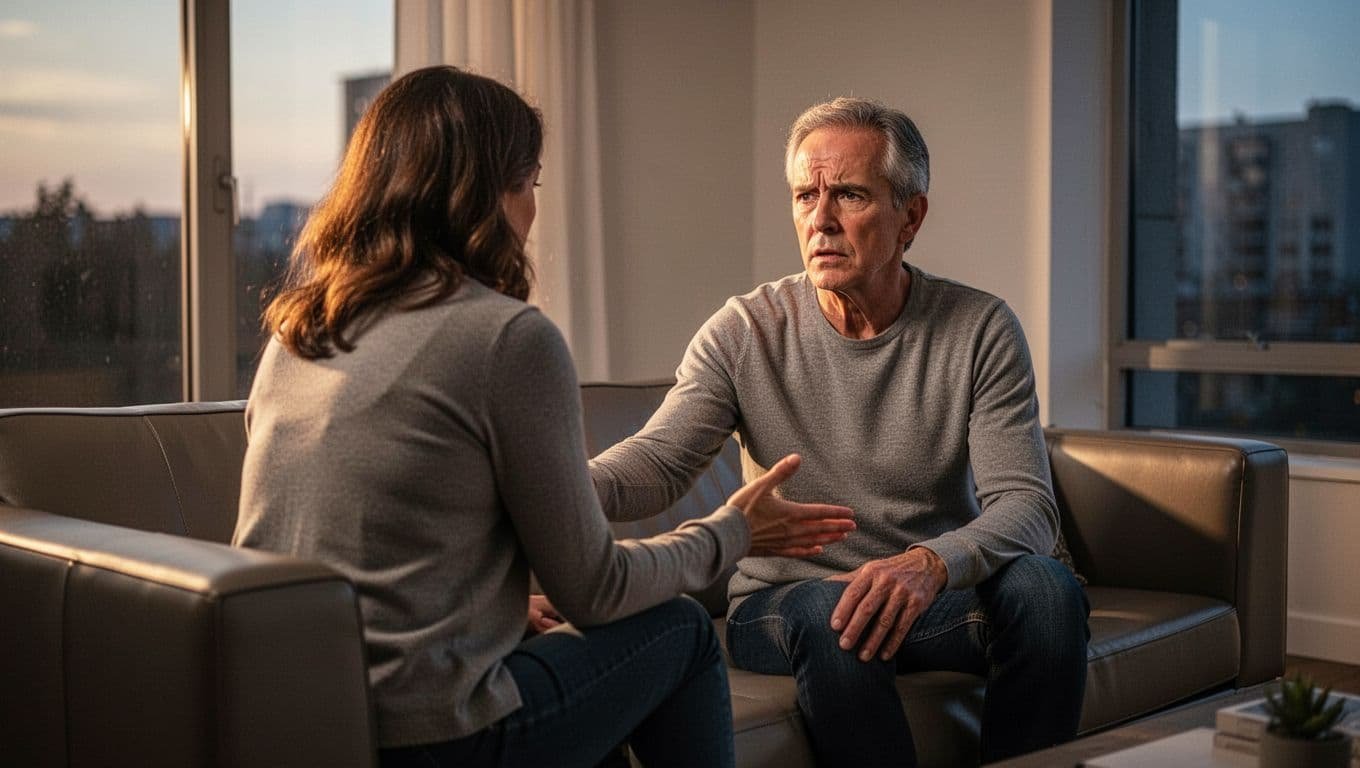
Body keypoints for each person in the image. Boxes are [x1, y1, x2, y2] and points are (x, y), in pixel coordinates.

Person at [231, 66, 855, 768]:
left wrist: (490, 615)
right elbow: (597, 591)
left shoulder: (299, 334)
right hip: (433, 740)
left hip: (304, 725)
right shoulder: (504, 338)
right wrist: (733, 533)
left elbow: (351, 543)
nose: (532, 212)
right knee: (676, 631)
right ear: (487, 194)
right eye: (529, 185)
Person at [589, 97, 1090, 766]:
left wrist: (931, 563)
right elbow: (656, 461)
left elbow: (1027, 507)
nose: (819, 220)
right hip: (784, 602)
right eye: (805, 196)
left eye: (849, 194)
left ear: (910, 216)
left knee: (1048, 592)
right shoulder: (745, 330)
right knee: (834, 614)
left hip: (925, 596)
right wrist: (542, 484)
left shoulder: (979, 328)